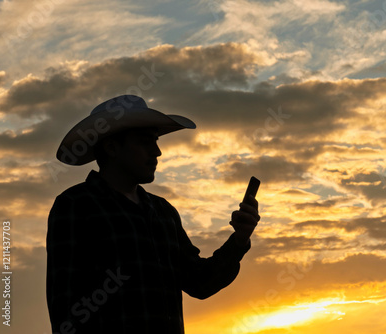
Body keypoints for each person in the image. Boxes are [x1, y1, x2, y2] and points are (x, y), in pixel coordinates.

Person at [46, 95, 260, 334]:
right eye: (144, 142)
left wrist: (240, 239)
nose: (157, 151)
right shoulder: (76, 206)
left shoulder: (163, 212)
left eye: (155, 142)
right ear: (112, 147)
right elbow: (65, 309)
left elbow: (200, 282)